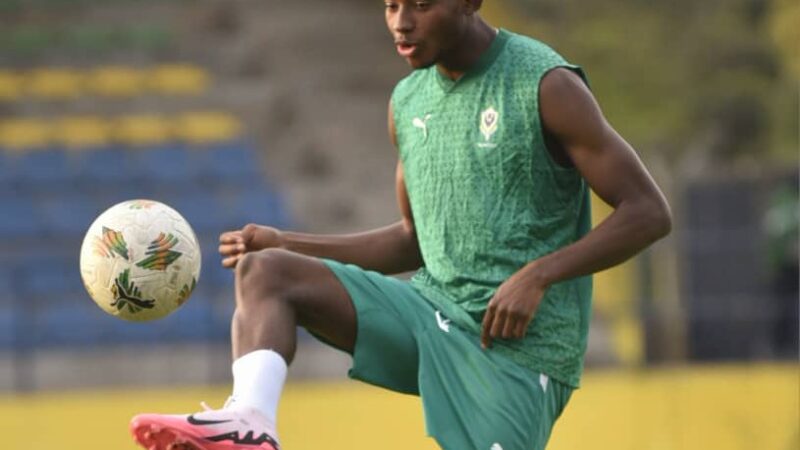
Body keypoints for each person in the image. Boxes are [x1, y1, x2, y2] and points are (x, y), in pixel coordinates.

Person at [130, 0, 672, 449]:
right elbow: (414, 240)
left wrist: (539, 274)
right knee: (266, 271)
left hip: (516, 352)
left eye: (420, 5)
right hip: (429, 315)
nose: (401, 23)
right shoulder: (408, 101)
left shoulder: (545, 84)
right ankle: (249, 423)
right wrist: (285, 241)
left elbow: (648, 211)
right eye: (391, 5)